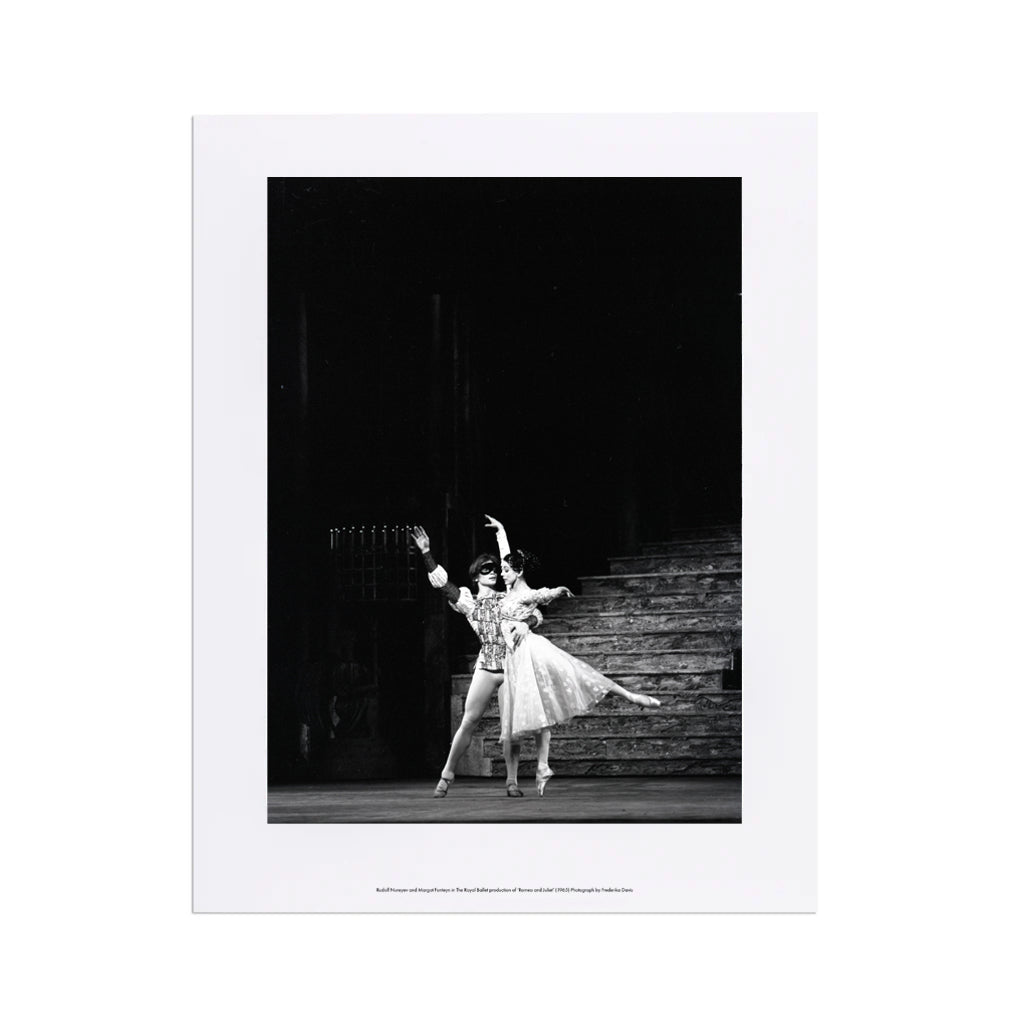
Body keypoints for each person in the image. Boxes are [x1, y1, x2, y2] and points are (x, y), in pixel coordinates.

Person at [498, 547, 661, 796]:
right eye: (502, 569)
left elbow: (542, 596)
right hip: (512, 660)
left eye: (506, 570)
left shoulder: (527, 593)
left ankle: (631, 696)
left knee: (580, 675)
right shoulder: (509, 590)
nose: (502, 574)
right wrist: (500, 531)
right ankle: (542, 767)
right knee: (538, 711)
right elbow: (507, 556)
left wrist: (558, 590)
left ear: (518, 572)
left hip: (530, 653)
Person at [411, 516, 541, 798]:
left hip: (510, 665)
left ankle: (512, 781)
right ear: (475, 576)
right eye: (486, 569)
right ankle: (446, 775)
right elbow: (444, 586)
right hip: (486, 666)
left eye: (495, 569)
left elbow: (535, 612)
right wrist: (426, 553)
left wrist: (525, 624)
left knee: (511, 728)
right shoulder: (470, 603)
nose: (493, 572)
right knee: (469, 721)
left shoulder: (509, 596)